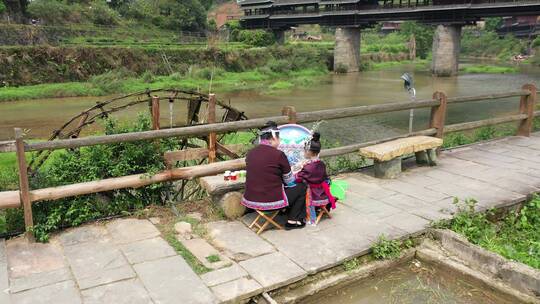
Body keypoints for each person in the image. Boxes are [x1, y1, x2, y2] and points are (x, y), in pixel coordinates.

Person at [242, 121, 307, 229]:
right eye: (279, 138)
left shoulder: (250, 153)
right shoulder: (278, 155)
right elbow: (289, 182)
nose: (280, 140)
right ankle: (293, 221)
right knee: (301, 187)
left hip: (251, 200)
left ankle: (284, 211)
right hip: (269, 202)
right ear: (273, 138)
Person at [295, 132, 336, 225]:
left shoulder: (308, 167)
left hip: (314, 196)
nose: (304, 152)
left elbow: (298, 178)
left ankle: (298, 213)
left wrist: (299, 169)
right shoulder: (321, 164)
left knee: (298, 188)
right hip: (323, 193)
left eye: (305, 150)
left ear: (309, 152)